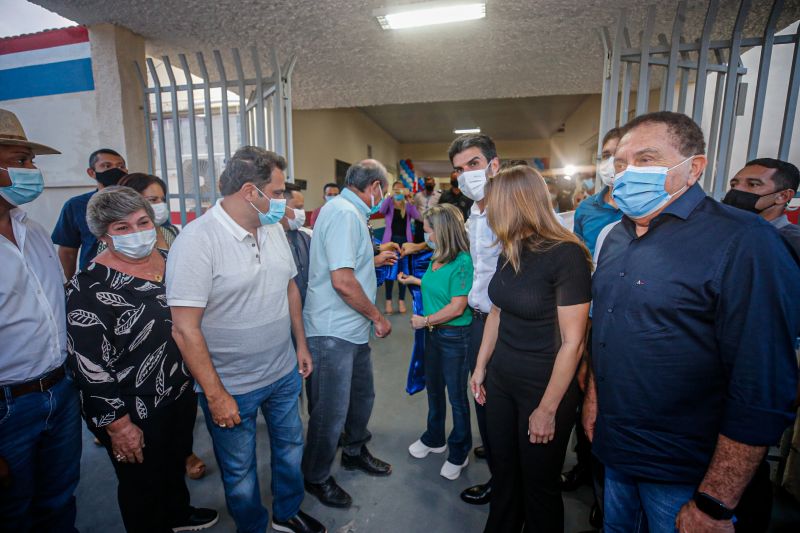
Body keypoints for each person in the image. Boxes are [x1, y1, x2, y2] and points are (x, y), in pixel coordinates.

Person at [583, 112, 800, 533]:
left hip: (685, 467)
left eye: (646, 159)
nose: (629, 173)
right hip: (617, 449)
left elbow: (762, 379)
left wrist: (715, 501)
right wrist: (594, 398)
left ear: (693, 168)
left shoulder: (743, 240)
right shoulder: (617, 237)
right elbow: (607, 330)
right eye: (623, 164)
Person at [168, 148, 325, 533]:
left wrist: (299, 345)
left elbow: (289, 287)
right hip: (231, 384)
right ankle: (252, 526)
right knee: (240, 470)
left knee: (290, 449)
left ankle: (287, 512)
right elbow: (184, 329)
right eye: (278, 190)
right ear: (251, 191)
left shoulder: (271, 228)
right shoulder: (197, 241)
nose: (284, 200)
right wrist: (216, 394)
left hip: (283, 371)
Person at [65, 186, 217, 533]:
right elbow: (88, 366)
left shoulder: (170, 259)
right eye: (123, 227)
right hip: (133, 405)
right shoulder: (87, 286)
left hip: (177, 390)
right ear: (104, 235)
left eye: (142, 221)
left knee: (172, 462)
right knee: (141, 484)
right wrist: (117, 425)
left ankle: (178, 514)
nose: (137, 233)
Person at [471, 165, 592, 532]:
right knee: (505, 473)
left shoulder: (566, 255)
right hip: (503, 379)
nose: (487, 212)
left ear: (515, 204)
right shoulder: (513, 247)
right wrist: (480, 368)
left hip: (544, 384)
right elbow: (496, 312)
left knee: (538, 485)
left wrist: (547, 409)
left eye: (493, 205)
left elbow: (574, 342)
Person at [0, 108, 82, 532]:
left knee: (58, 498)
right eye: (20, 161)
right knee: (12, 510)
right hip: (8, 408)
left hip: (59, 389)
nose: (33, 170)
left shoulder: (32, 231)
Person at [302, 160, 393, 508]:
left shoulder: (351, 213)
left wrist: (373, 259)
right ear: (374, 187)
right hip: (332, 331)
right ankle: (316, 476)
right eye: (383, 191)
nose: (382, 198)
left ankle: (354, 450)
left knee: (360, 398)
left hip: (351, 329)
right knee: (330, 410)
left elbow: (346, 261)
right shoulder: (343, 213)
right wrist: (378, 317)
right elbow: (341, 281)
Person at [114, 172, 206, 480]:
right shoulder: (116, 249)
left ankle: (183, 456)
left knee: (181, 420)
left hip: (179, 352)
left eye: (160, 199)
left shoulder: (170, 233)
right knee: (148, 457)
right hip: (140, 367)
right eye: (149, 200)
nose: (158, 207)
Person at [398, 204, 474, 480]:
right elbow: (438, 286)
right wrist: (416, 280)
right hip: (434, 336)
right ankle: (434, 437)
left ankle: (459, 450)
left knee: (456, 397)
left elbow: (457, 307)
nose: (425, 235)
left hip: (455, 337)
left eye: (428, 230)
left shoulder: (463, 261)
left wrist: (425, 320)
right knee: (434, 391)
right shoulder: (436, 256)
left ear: (442, 230)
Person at [448, 132, 501, 506]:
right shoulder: (474, 214)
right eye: (460, 170)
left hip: (507, 323)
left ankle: (504, 480)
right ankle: (497, 455)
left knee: (500, 400)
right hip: (477, 318)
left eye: (474, 165)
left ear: (494, 165)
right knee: (481, 396)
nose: (467, 175)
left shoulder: (511, 209)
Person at [52, 148, 128, 279]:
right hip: (93, 281)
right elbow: (67, 252)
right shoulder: (76, 205)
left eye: (120, 166)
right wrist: (66, 286)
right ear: (92, 172)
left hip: (135, 278)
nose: (116, 170)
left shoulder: (138, 202)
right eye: (107, 166)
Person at [723, 158, 800, 257]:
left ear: (783, 196)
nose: (736, 189)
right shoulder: (722, 231)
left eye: (753, 184)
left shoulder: (793, 243)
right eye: (733, 184)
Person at [573, 128, 624, 256]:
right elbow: (578, 254)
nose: (611, 162)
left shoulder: (643, 208)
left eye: (618, 154)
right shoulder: (585, 208)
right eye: (606, 156)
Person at [379, 181, 421, 315]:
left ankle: (402, 300)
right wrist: (389, 196)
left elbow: (417, 216)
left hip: (405, 243)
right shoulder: (389, 204)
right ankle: (388, 301)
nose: (398, 193)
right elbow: (381, 210)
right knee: (389, 272)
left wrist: (410, 201)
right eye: (396, 190)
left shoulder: (407, 206)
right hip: (390, 243)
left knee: (403, 272)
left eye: (400, 190)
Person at [118, 173, 179, 250]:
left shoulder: (172, 232)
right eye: (152, 200)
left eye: (163, 200)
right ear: (131, 202)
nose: (161, 204)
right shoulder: (119, 239)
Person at [281, 183, 313, 305]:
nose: (302, 213)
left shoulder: (307, 236)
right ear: (281, 207)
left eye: (303, 208)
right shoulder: (269, 239)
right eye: (298, 208)